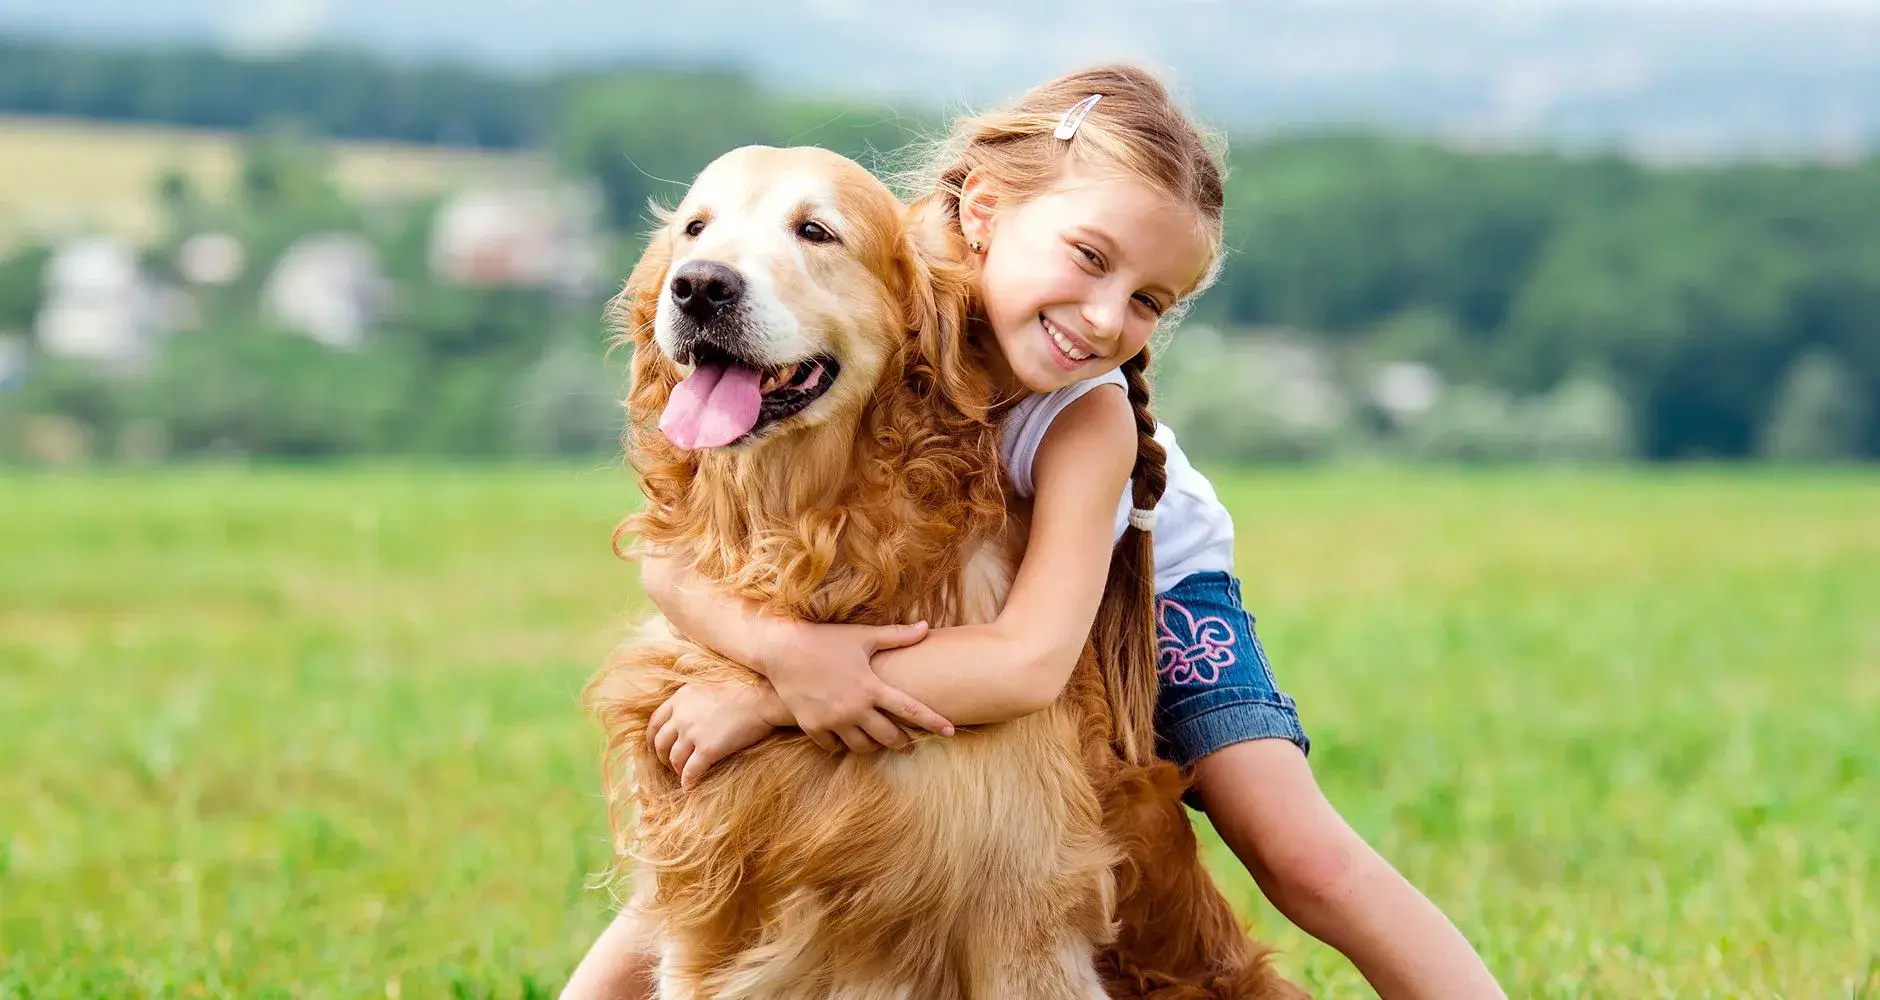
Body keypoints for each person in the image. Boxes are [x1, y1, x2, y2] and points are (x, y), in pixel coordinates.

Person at [562, 64, 1503, 1000]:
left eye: (1147, 301)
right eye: (1091, 258)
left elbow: (1026, 665)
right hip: (952, 585)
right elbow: (671, 552)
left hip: (1147, 595)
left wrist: (779, 694)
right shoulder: (870, 282)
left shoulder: (1089, 416)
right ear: (980, 208)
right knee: (712, 847)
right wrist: (780, 650)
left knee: (1299, 857)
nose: (1105, 318)